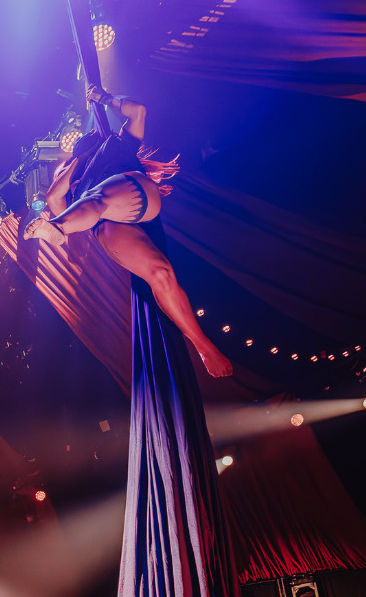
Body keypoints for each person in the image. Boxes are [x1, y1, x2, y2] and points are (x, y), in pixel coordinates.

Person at [23, 86, 230, 379]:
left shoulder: (119, 143)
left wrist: (105, 98)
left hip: (134, 192)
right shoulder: (75, 181)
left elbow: (139, 111)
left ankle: (58, 228)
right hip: (107, 222)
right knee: (160, 274)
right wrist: (77, 162)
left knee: (95, 197)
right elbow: (54, 196)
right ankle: (203, 346)